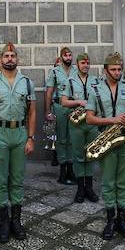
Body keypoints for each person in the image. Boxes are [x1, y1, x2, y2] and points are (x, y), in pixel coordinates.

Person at [0, 42, 36, 243]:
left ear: (17, 59)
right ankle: (4, 221)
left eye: (13, 55)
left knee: (18, 179)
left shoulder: (27, 82)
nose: (9, 59)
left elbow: (32, 111)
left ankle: (16, 221)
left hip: (20, 133)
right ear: (0, 60)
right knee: (1, 179)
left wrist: (30, 137)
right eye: (6, 56)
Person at [86, 53, 125, 240]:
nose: (117, 73)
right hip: (106, 138)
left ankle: (122, 220)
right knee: (108, 182)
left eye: (119, 69)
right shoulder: (95, 89)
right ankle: (111, 220)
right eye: (113, 69)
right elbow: (89, 118)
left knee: (124, 182)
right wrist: (113, 120)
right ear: (105, 70)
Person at [60, 52, 100, 203]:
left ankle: (89, 187)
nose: (86, 65)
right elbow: (63, 102)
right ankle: (80, 188)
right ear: (78, 64)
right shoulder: (69, 81)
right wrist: (79, 102)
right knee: (78, 156)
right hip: (76, 124)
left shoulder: (96, 81)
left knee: (90, 154)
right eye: (83, 63)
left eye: (88, 62)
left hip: (92, 123)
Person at [46, 47, 75, 184]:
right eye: (66, 56)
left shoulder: (76, 71)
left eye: (70, 55)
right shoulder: (55, 72)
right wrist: (48, 111)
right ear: (61, 57)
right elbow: (49, 93)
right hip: (60, 107)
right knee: (62, 139)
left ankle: (71, 169)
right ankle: (63, 171)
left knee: (72, 139)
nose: (68, 58)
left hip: (74, 108)